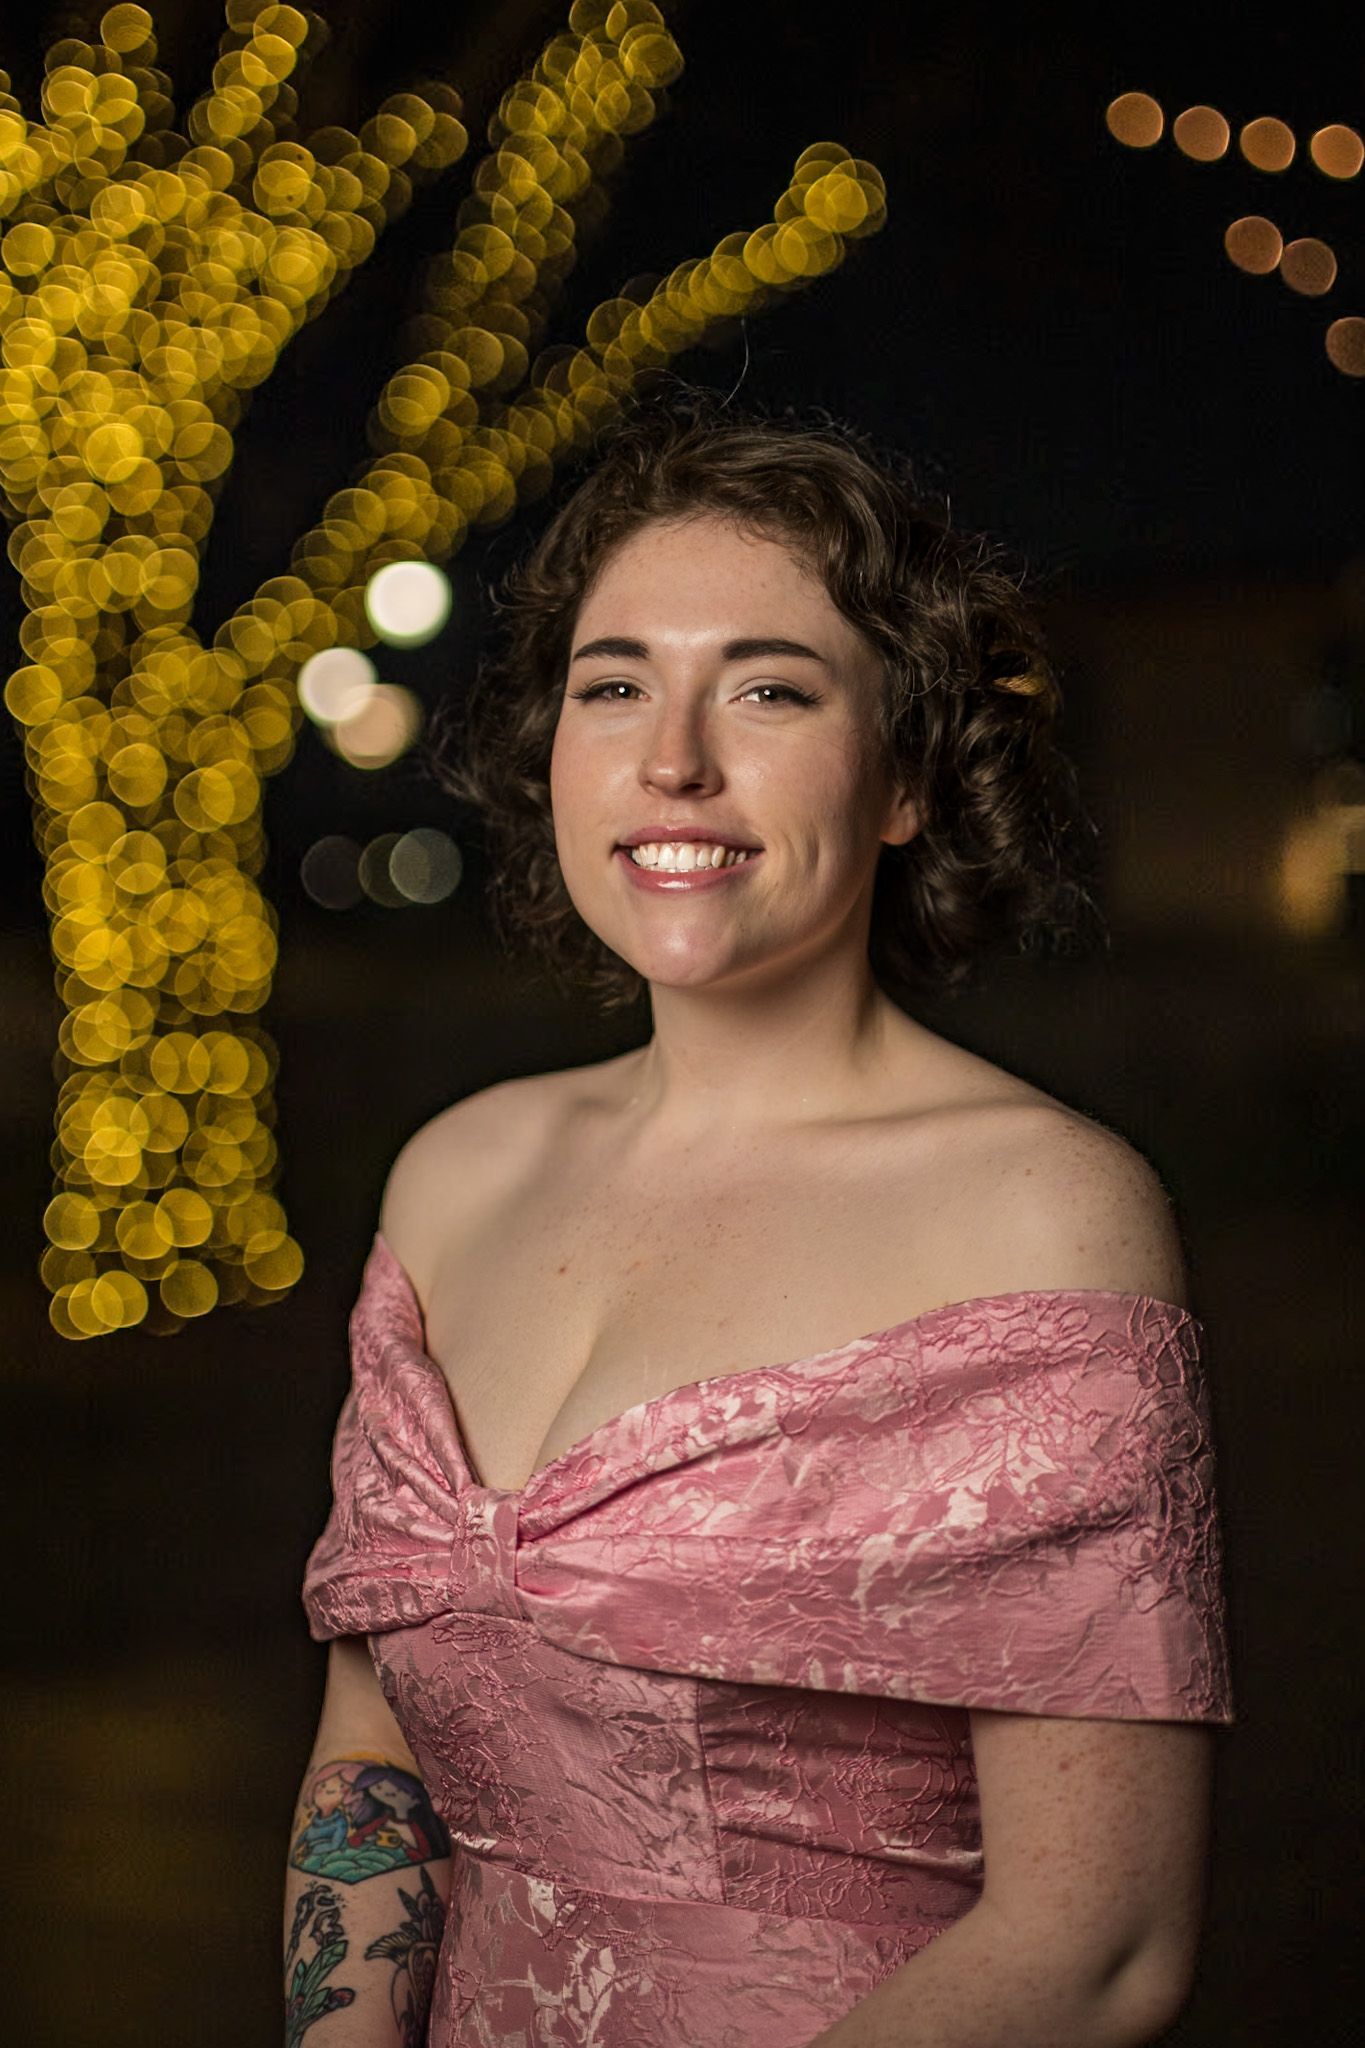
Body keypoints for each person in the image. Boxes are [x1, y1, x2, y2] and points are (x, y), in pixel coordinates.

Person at [287, 384, 1235, 2046]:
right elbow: (370, 1748)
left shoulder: (1038, 1215)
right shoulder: (454, 1176)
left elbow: (1095, 1949)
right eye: (612, 688)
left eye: (771, 690)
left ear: (904, 778)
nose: (673, 761)